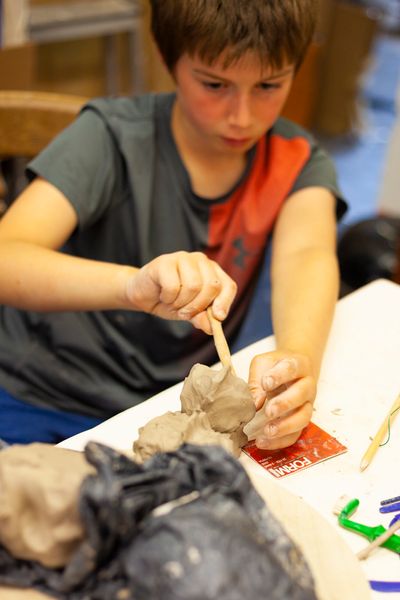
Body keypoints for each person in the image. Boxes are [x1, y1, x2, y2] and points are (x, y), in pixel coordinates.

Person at [0, 0, 346, 447]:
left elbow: (308, 256)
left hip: (163, 405)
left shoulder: (295, 160)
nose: (241, 115)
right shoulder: (111, 137)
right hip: (41, 394)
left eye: (267, 85)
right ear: (168, 60)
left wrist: (297, 360)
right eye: (214, 84)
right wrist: (131, 286)